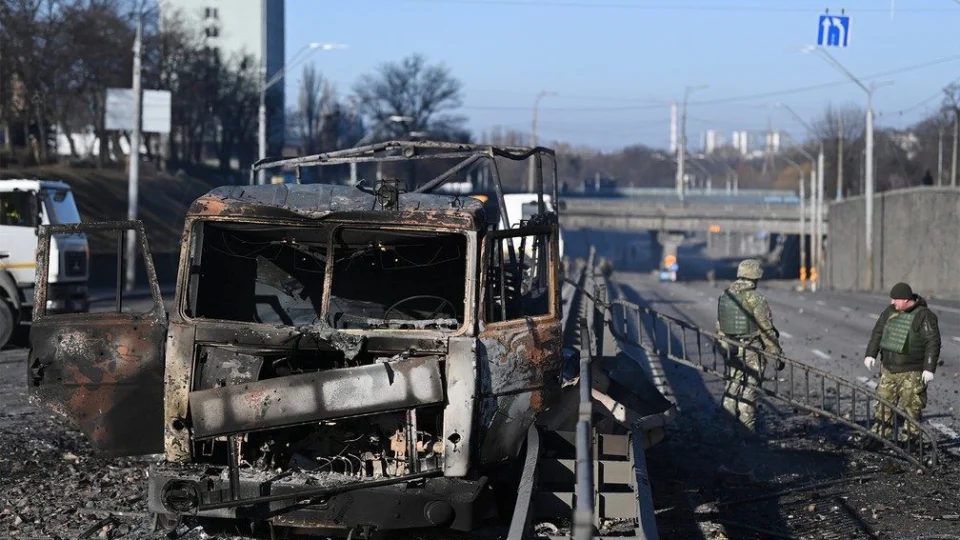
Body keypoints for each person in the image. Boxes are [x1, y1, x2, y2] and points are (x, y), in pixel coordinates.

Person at [863, 282, 941, 447]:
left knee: (912, 407)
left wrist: (929, 368)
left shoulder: (923, 316)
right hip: (888, 369)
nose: (892, 302)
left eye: (895, 299)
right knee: (883, 404)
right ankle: (880, 436)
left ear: (906, 299)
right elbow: (878, 332)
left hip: (912, 371)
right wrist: (870, 354)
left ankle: (911, 440)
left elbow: (932, 342)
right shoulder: (890, 312)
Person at [715, 258, 784, 432]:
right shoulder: (756, 298)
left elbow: (720, 325)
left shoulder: (725, 295)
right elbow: (765, 329)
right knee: (749, 391)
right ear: (755, 276)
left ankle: (727, 432)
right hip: (751, 349)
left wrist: (723, 347)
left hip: (730, 348)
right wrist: (776, 352)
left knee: (731, 388)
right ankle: (747, 434)